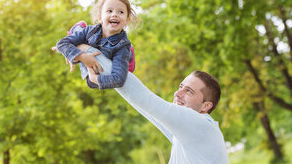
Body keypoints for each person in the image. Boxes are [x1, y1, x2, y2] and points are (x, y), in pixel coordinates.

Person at [70, 44, 229, 164]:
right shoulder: (191, 131)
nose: (177, 93)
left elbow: (142, 98)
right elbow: (143, 106)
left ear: (205, 106)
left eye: (189, 91)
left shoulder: (198, 123)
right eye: (181, 87)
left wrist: (84, 50)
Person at [56, 0, 137, 89]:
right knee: (80, 35)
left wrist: (96, 79)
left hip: (125, 63)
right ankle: (77, 28)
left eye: (121, 12)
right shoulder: (90, 31)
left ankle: (130, 53)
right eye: (109, 11)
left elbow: (118, 79)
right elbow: (61, 44)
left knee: (92, 82)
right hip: (89, 43)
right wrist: (81, 57)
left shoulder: (122, 46)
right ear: (100, 17)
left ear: (127, 20)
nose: (115, 14)